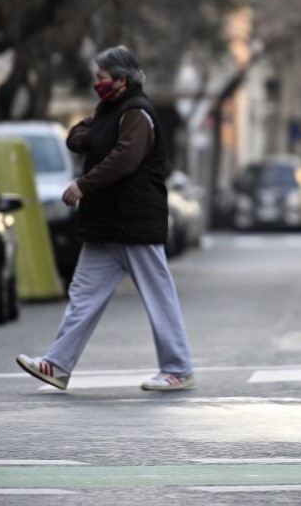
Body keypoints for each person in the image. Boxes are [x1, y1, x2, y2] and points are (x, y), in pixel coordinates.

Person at [16, 46, 195, 392]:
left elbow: (124, 159)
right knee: (83, 295)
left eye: (101, 78)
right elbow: (76, 138)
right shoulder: (110, 110)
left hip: (134, 222)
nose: (96, 84)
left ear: (121, 80)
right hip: (106, 225)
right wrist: (97, 134)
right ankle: (57, 365)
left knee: (159, 296)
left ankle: (178, 368)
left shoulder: (137, 114)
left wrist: (83, 184)